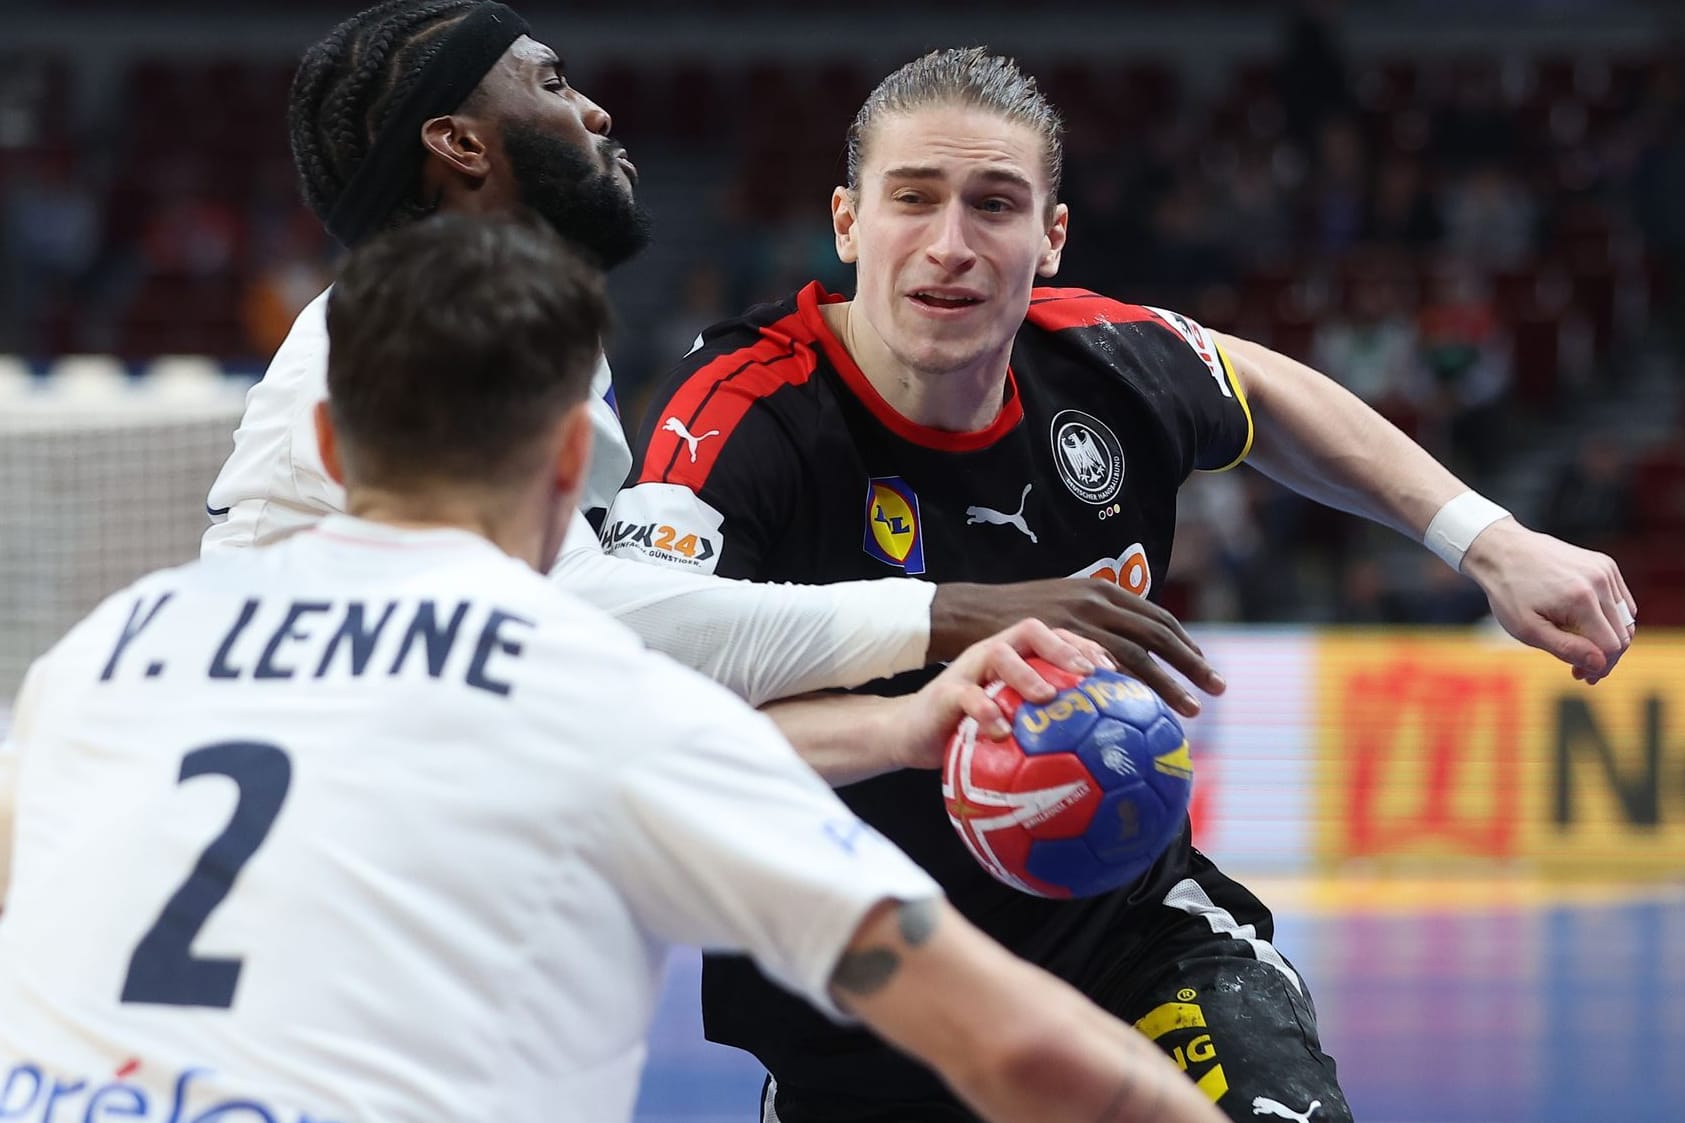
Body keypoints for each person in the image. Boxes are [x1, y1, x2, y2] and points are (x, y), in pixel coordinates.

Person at [0, 214, 1228, 1123]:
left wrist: (905, 731)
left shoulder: (104, 651)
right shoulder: (588, 685)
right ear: (566, 465)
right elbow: (1017, 1053)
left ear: (323, 438)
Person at [607, 48, 1639, 1123]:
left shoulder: (1103, 359)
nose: (949, 245)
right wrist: (914, 720)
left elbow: (1266, 389)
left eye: (994, 204)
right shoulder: (739, 412)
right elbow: (631, 705)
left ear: (1051, 238)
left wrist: (1484, 538)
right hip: (867, 983)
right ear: (845, 223)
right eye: (911, 200)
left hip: (1133, 941)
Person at [201, 0, 1220, 716]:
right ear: (460, 146)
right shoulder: (413, 326)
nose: (594, 110)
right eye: (550, 82)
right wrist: (951, 610)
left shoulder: (491, 328)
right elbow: (591, 626)